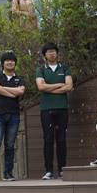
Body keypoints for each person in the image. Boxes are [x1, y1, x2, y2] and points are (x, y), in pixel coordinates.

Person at [0, 52, 25, 182]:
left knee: (10, 145)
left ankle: (8, 174)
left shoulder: (19, 78)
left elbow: (21, 91)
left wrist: (4, 89)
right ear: (3, 63)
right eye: (7, 60)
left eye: (12, 60)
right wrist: (13, 93)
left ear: (15, 63)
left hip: (14, 115)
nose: (10, 62)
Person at [35, 42, 73, 180]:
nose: (51, 53)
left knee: (61, 139)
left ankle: (62, 169)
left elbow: (69, 86)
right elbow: (40, 87)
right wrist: (58, 85)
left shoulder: (65, 68)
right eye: (48, 52)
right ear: (45, 55)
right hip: (46, 109)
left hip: (62, 108)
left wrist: (49, 88)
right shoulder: (41, 69)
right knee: (48, 139)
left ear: (57, 53)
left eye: (54, 51)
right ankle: (48, 170)